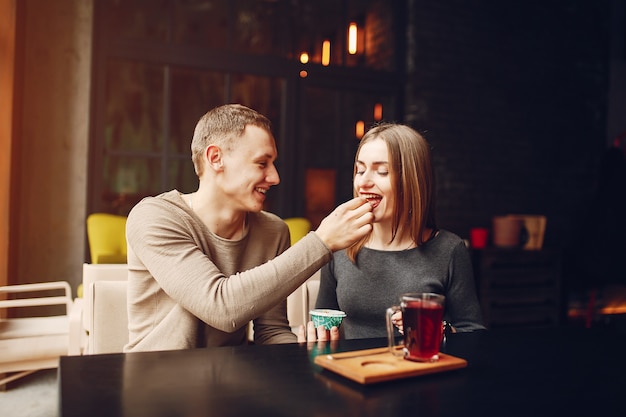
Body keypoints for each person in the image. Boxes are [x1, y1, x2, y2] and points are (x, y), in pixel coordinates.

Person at [124, 104, 373, 352]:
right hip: (157, 382)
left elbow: (271, 331)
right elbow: (221, 307)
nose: (275, 177)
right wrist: (321, 242)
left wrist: (306, 354)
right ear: (215, 158)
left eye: (273, 163)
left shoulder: (273, 231)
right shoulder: (155, 217)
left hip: (230, 379)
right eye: (262, 163)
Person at [314, 123, 486, 340]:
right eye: (360, 169)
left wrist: (434, 328)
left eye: (382, 171)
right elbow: (322, 324)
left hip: (420, 372)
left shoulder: (449, 250)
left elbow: (474, 333)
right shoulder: (340, 245)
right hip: (353, 372)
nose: (364, 182)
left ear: (411, 181)